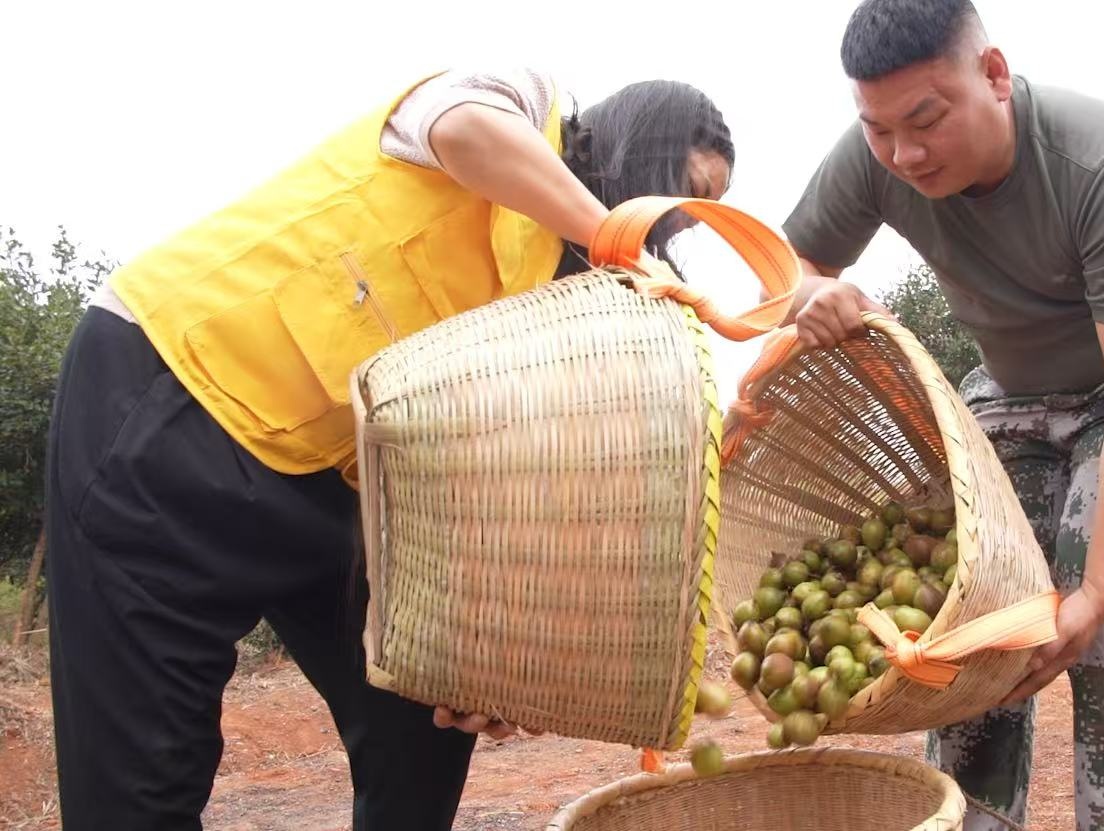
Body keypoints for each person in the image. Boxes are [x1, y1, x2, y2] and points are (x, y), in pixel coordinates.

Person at [44, 67, 732, 831]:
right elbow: (463, 128)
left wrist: (483, 651)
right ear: (640, 145)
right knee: (138, 789)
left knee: (423, 725)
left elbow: (477, 475)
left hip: (339, 482)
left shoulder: (556, 316)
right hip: (173, 402)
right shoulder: (518, 105)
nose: (682, 227)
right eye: (685, 193)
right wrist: (616, 240)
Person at [781, 2, 1104, 828]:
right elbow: (790, 265)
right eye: (878, 130)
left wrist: (1093, 591)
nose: (904, 154)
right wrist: (811, 293)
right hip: (1012, 384)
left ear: (993, 76)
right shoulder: (874, 153)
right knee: (970, 621)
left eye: (926, 120)